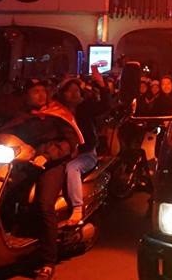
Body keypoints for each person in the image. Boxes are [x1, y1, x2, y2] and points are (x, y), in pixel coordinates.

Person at [0, 79, 83, 280]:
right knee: (1, 194)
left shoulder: (58, 113)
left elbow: (69, 142)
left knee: (44, 205)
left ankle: (47, 261)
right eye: (35, 91)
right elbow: (2, 130)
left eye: (42, 91)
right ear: (26, 95)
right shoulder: (22, 115)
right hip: (24, 162)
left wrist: (47, 155)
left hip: (52, 163)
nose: (40, 95)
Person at [56, 68, 111, 227]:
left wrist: (102, 85)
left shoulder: (85, 108)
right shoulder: (57, 111)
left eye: (76, 90)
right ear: (63, 94)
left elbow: (105, 105)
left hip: (85, 154)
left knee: (72, 168)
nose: (73, 94)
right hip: (61, 154)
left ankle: (77, 207)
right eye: (69, 90)